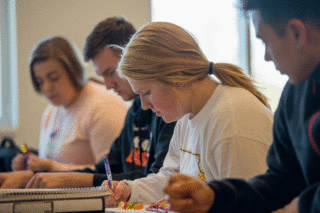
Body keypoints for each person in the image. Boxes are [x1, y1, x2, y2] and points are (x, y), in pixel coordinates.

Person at [164, 0, 320, 213]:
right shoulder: (294, 91)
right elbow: (282, 179)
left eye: (266, 42)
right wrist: (215, 197)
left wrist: (301, 206)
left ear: (296, 33)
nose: (266, 56)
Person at [103, 21, 274, 206]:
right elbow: (171, 179)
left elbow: (250, 206)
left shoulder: (234, 120)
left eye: (147, 93)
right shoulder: (187, 115)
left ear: (178, 77)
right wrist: (130, 191)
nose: (144, 106)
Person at [0, 16, 176, 189]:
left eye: (111, 72)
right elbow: (105, 169)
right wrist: (35, 176)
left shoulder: (166, 110)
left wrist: (68, 180)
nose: (107, 86)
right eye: (40, 81)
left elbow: (156, 180)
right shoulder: (135, 112)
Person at [11, 36, 128, 173]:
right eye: (40, 81)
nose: (46, 87)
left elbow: (112, 173)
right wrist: (31, 167)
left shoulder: (103, 107)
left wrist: (52, 168)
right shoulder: (52, 110)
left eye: (54, 78)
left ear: (73, 70)